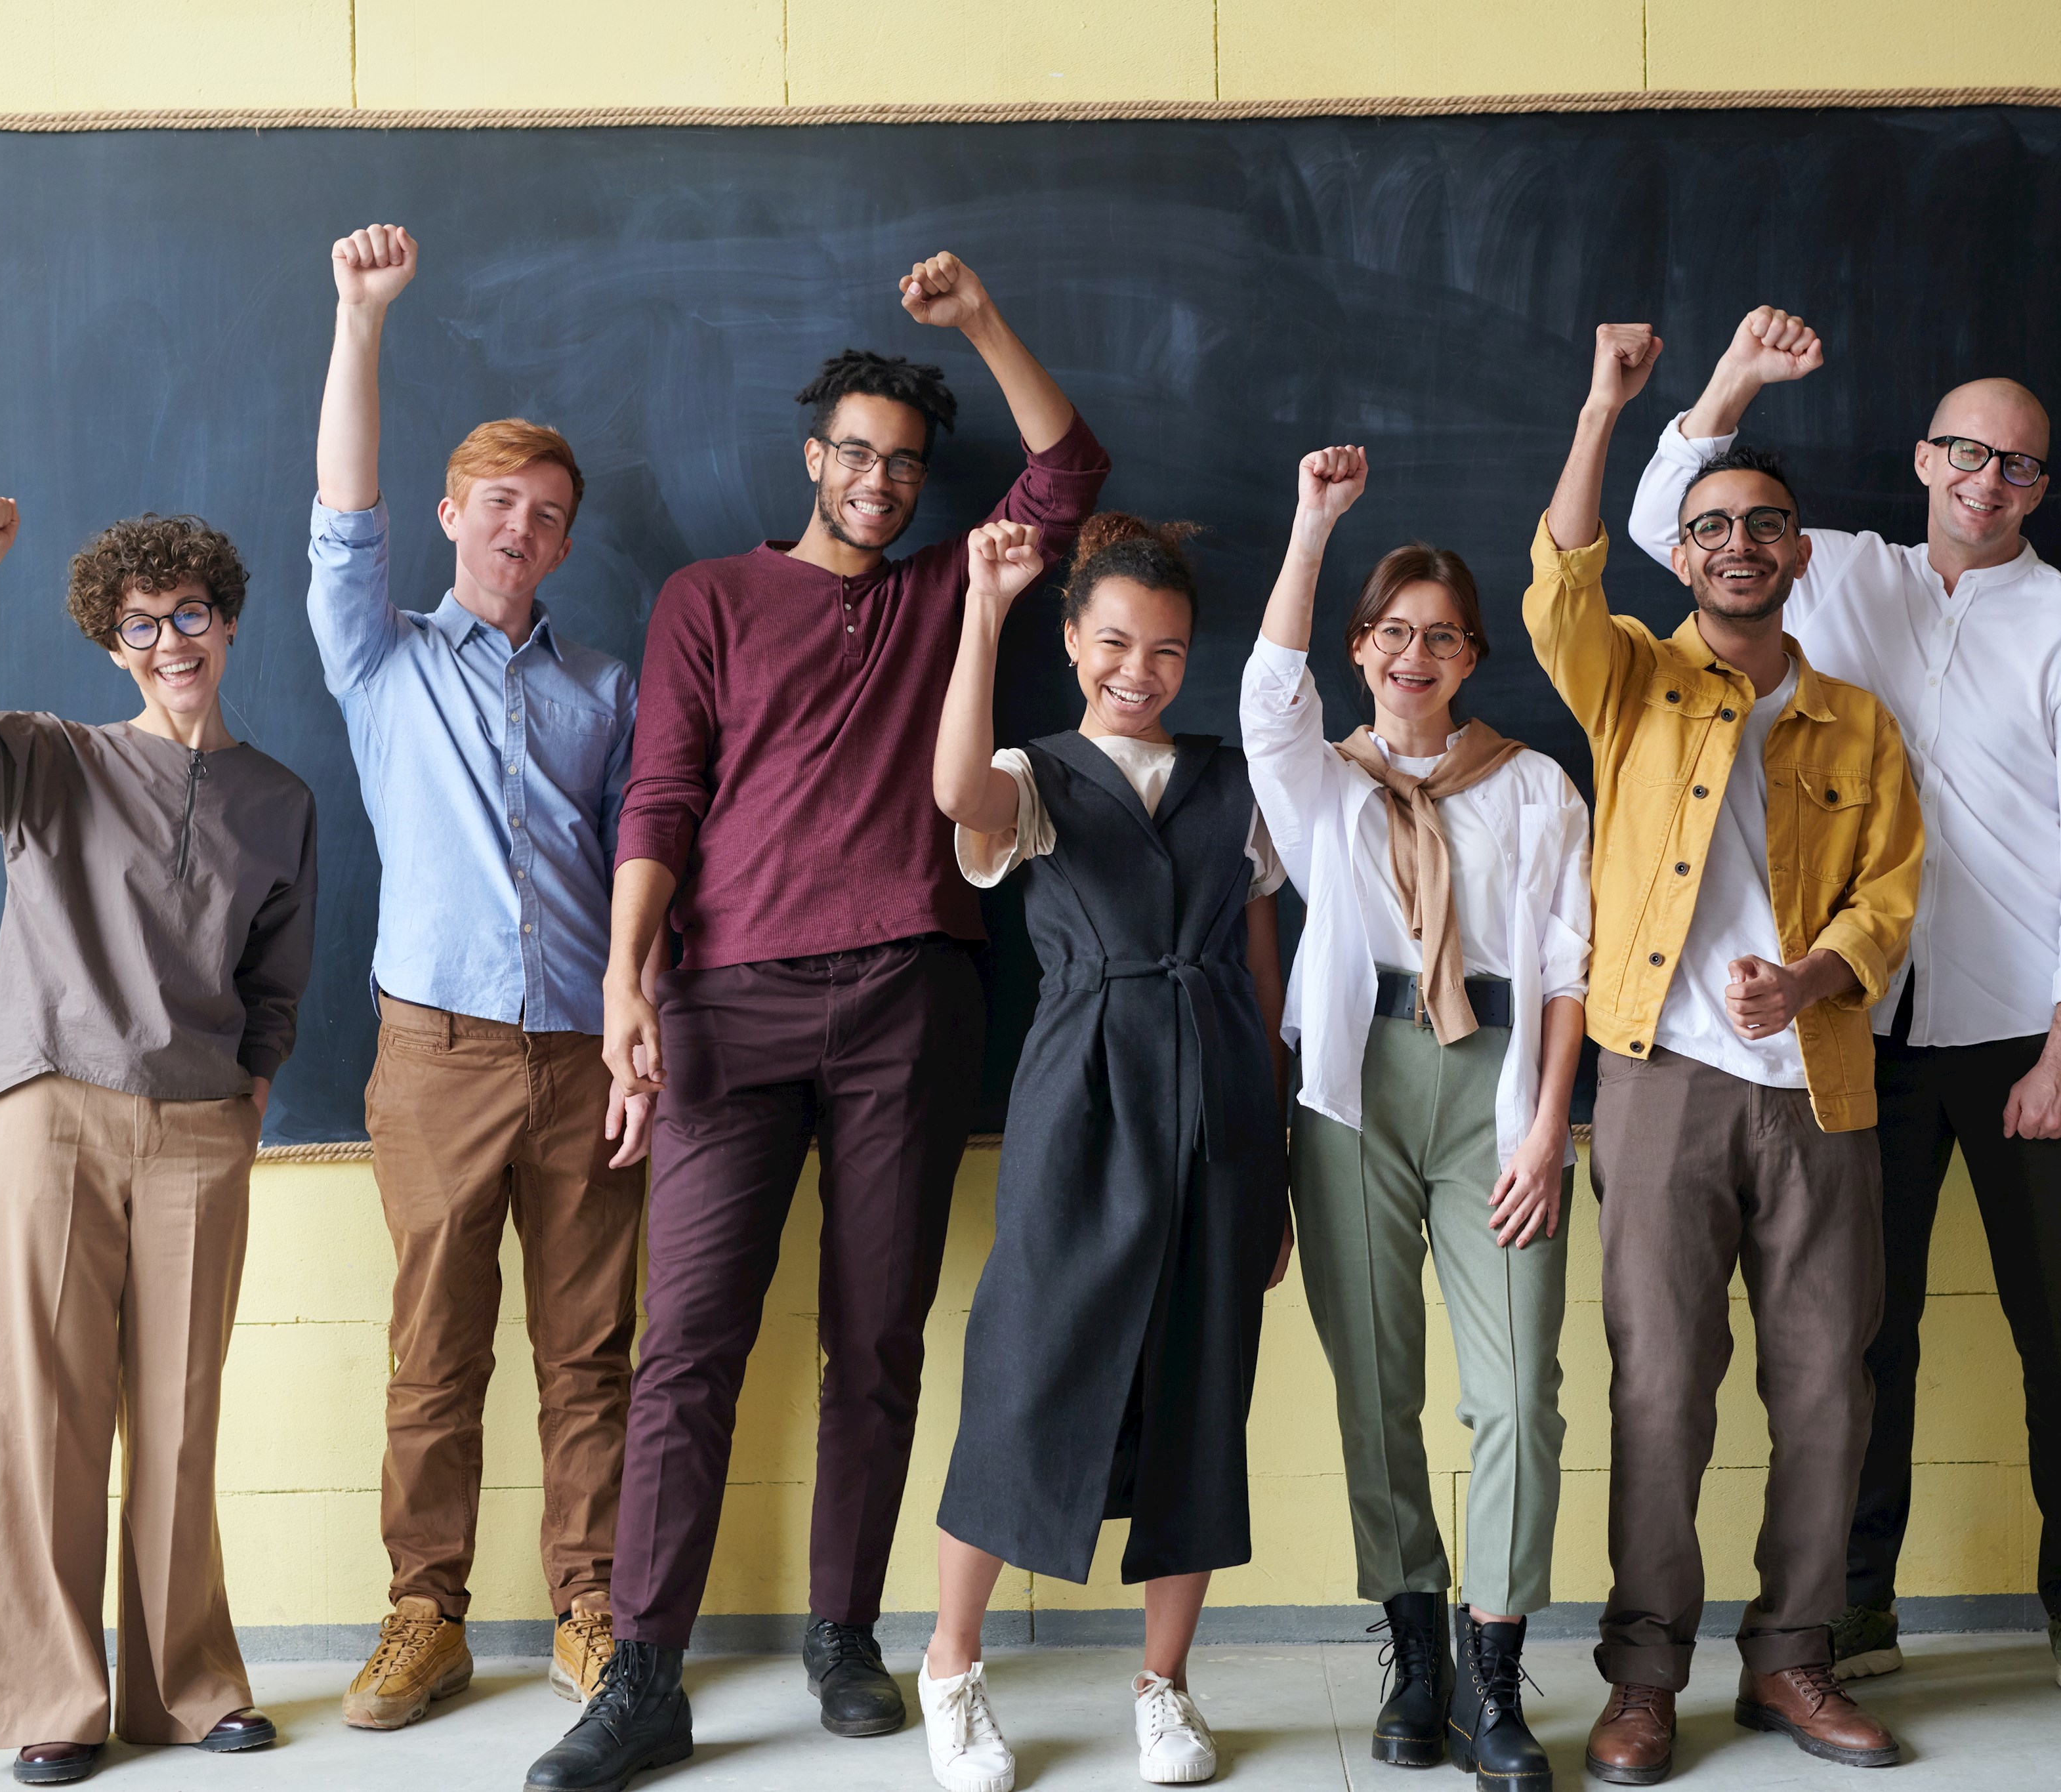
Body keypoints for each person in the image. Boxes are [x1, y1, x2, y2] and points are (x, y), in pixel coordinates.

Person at [525, 253, 1107, 1792]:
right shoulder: (707, 598)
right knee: (689, 1345)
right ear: (811, 458)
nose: (879, 482)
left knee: (876, 1342)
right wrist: (624, 979)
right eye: (855, 454)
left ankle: (844, 1635)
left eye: (904, 465)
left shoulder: (945, 594)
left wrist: (982, 320)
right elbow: (659, 794)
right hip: (725, 1001)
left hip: (913, 995)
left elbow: (1068, 472)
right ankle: (642, 1671)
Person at [1630, 306, 2061, 1720]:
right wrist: (1729, 383)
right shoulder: (1831, 572)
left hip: (2011, 1029)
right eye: (1966, 452)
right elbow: (1652, 522)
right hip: (1852, 1028)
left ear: (2041, 488)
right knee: (1862, 1335)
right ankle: (1854, 1598)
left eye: (2020, 466)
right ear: (1923, 457)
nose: (1987, 479)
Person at [1532, 323, 1921, 1781]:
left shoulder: (1856, 721)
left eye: (1763, 524)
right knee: (1659, 1382)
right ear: (1680, 555)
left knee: (1826, 1380)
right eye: (1711, 528)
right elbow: (1558, 579)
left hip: (1818, 1087)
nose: (1739, 545)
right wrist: (1601, 410)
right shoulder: (1628, 681)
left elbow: (1890, 890)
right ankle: (1642, 1680)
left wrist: (1817, 971)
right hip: (1657, 1083)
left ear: (1797, 549)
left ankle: (1793, 1661)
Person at [0, 499, 315, 1785]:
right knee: (49, 1414)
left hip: (199, 1129)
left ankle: (187, 1687)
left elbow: (279, 981)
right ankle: (49, 1696)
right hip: (55, 1111)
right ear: (113, 641)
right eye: (141, 625)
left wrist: (247, 1095)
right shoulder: (54, 759)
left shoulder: (278, 798)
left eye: (190, 614)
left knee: (181, 1421)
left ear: (227, 622)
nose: (170, 640)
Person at [306, 224, 654, 1730]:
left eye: (549, 514)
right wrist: (361, 321)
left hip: (583, 1050)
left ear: (569, 544)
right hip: (435, 1051)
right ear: (451, 514)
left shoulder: (606, 686)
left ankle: (590, 1606)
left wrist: (643, 1046)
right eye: (497, 502)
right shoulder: (377, 657)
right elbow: (339, 513)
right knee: (434, 1349)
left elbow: (650, 880)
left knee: (589, 1351)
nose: (521, 528)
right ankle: (423, 1617)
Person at [916, 514, 1291, 1792]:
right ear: (1072, 640)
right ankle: (951, 1669)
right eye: (1114, 641)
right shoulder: (1036, 774)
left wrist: (1275, 1148)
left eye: (1168, 649)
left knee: (1200, 1395)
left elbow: (1258, 970)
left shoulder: (1231, 779)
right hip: (1082, 1097)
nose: (1139, 668)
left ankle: (1164, 1686)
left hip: (1221, 1102)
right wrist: (980, 608)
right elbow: (953, 792)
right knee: (1026, 1378)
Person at [1239, 447, 1591, 1792]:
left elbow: (1562, 969)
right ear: (1362, 648)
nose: (1412, 655)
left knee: (1515, 1395)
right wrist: (1312, 518)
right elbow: (1269, 699)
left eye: (1438, 636)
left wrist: (1548, 1125)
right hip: (1353, 1089)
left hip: (1492, 1086)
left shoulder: (1532, 784)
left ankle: (1493, 1664)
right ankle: (1413, 1647)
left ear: (1470, 654)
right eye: (1390, 634)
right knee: (1375, 1388)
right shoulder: (1321, 782)